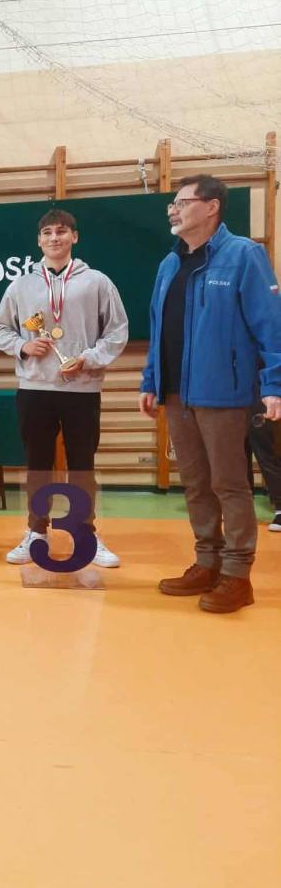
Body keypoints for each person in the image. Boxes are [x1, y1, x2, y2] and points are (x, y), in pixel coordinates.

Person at [140, 175, 281, 613]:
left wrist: (274, 385)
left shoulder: (244, 255)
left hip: (224, 392)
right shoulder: (169, 263)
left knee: (228, 484)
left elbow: (270, 325)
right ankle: (207, 562)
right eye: (173, 203)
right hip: (176, 394)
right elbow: (159, 329)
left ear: (212, 206)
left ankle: (237, 575)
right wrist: (150, 380)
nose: (174, 209)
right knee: (196, 484)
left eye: (182, 202)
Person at [0, 208, 128, 568]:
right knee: (38, 463)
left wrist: (89, 358)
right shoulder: (21, 285)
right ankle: (36, 531)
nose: (55, 238)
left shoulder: (97, 282)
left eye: (62, 231)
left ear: (74, 237)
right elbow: (0, 329)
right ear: (39, 241)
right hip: (35, 387)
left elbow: (117, 331)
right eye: (48, 233)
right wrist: (23, 346)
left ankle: (85, 533)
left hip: (81, 387)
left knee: (82, 464)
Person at [248, 410, 281, 533]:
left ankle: (280, 509)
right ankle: (241, 508)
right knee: (237, 457)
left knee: (268, 455)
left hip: (261, 402)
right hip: (232, 404)